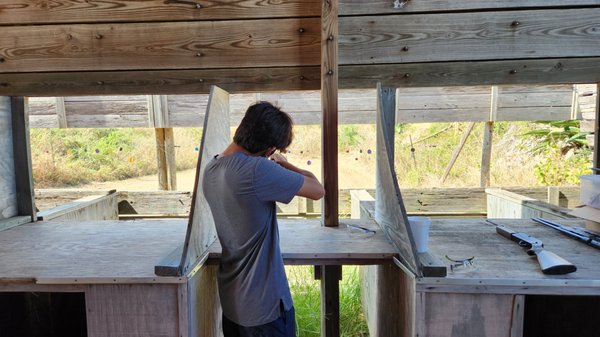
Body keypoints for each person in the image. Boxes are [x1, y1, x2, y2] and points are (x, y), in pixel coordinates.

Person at [202, 101, 325, 337]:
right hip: (264, 308)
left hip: (232, 303)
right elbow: (317, 190)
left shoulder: (211, 169)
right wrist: (285, 164)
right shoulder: (257, 170)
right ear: (270, 150)